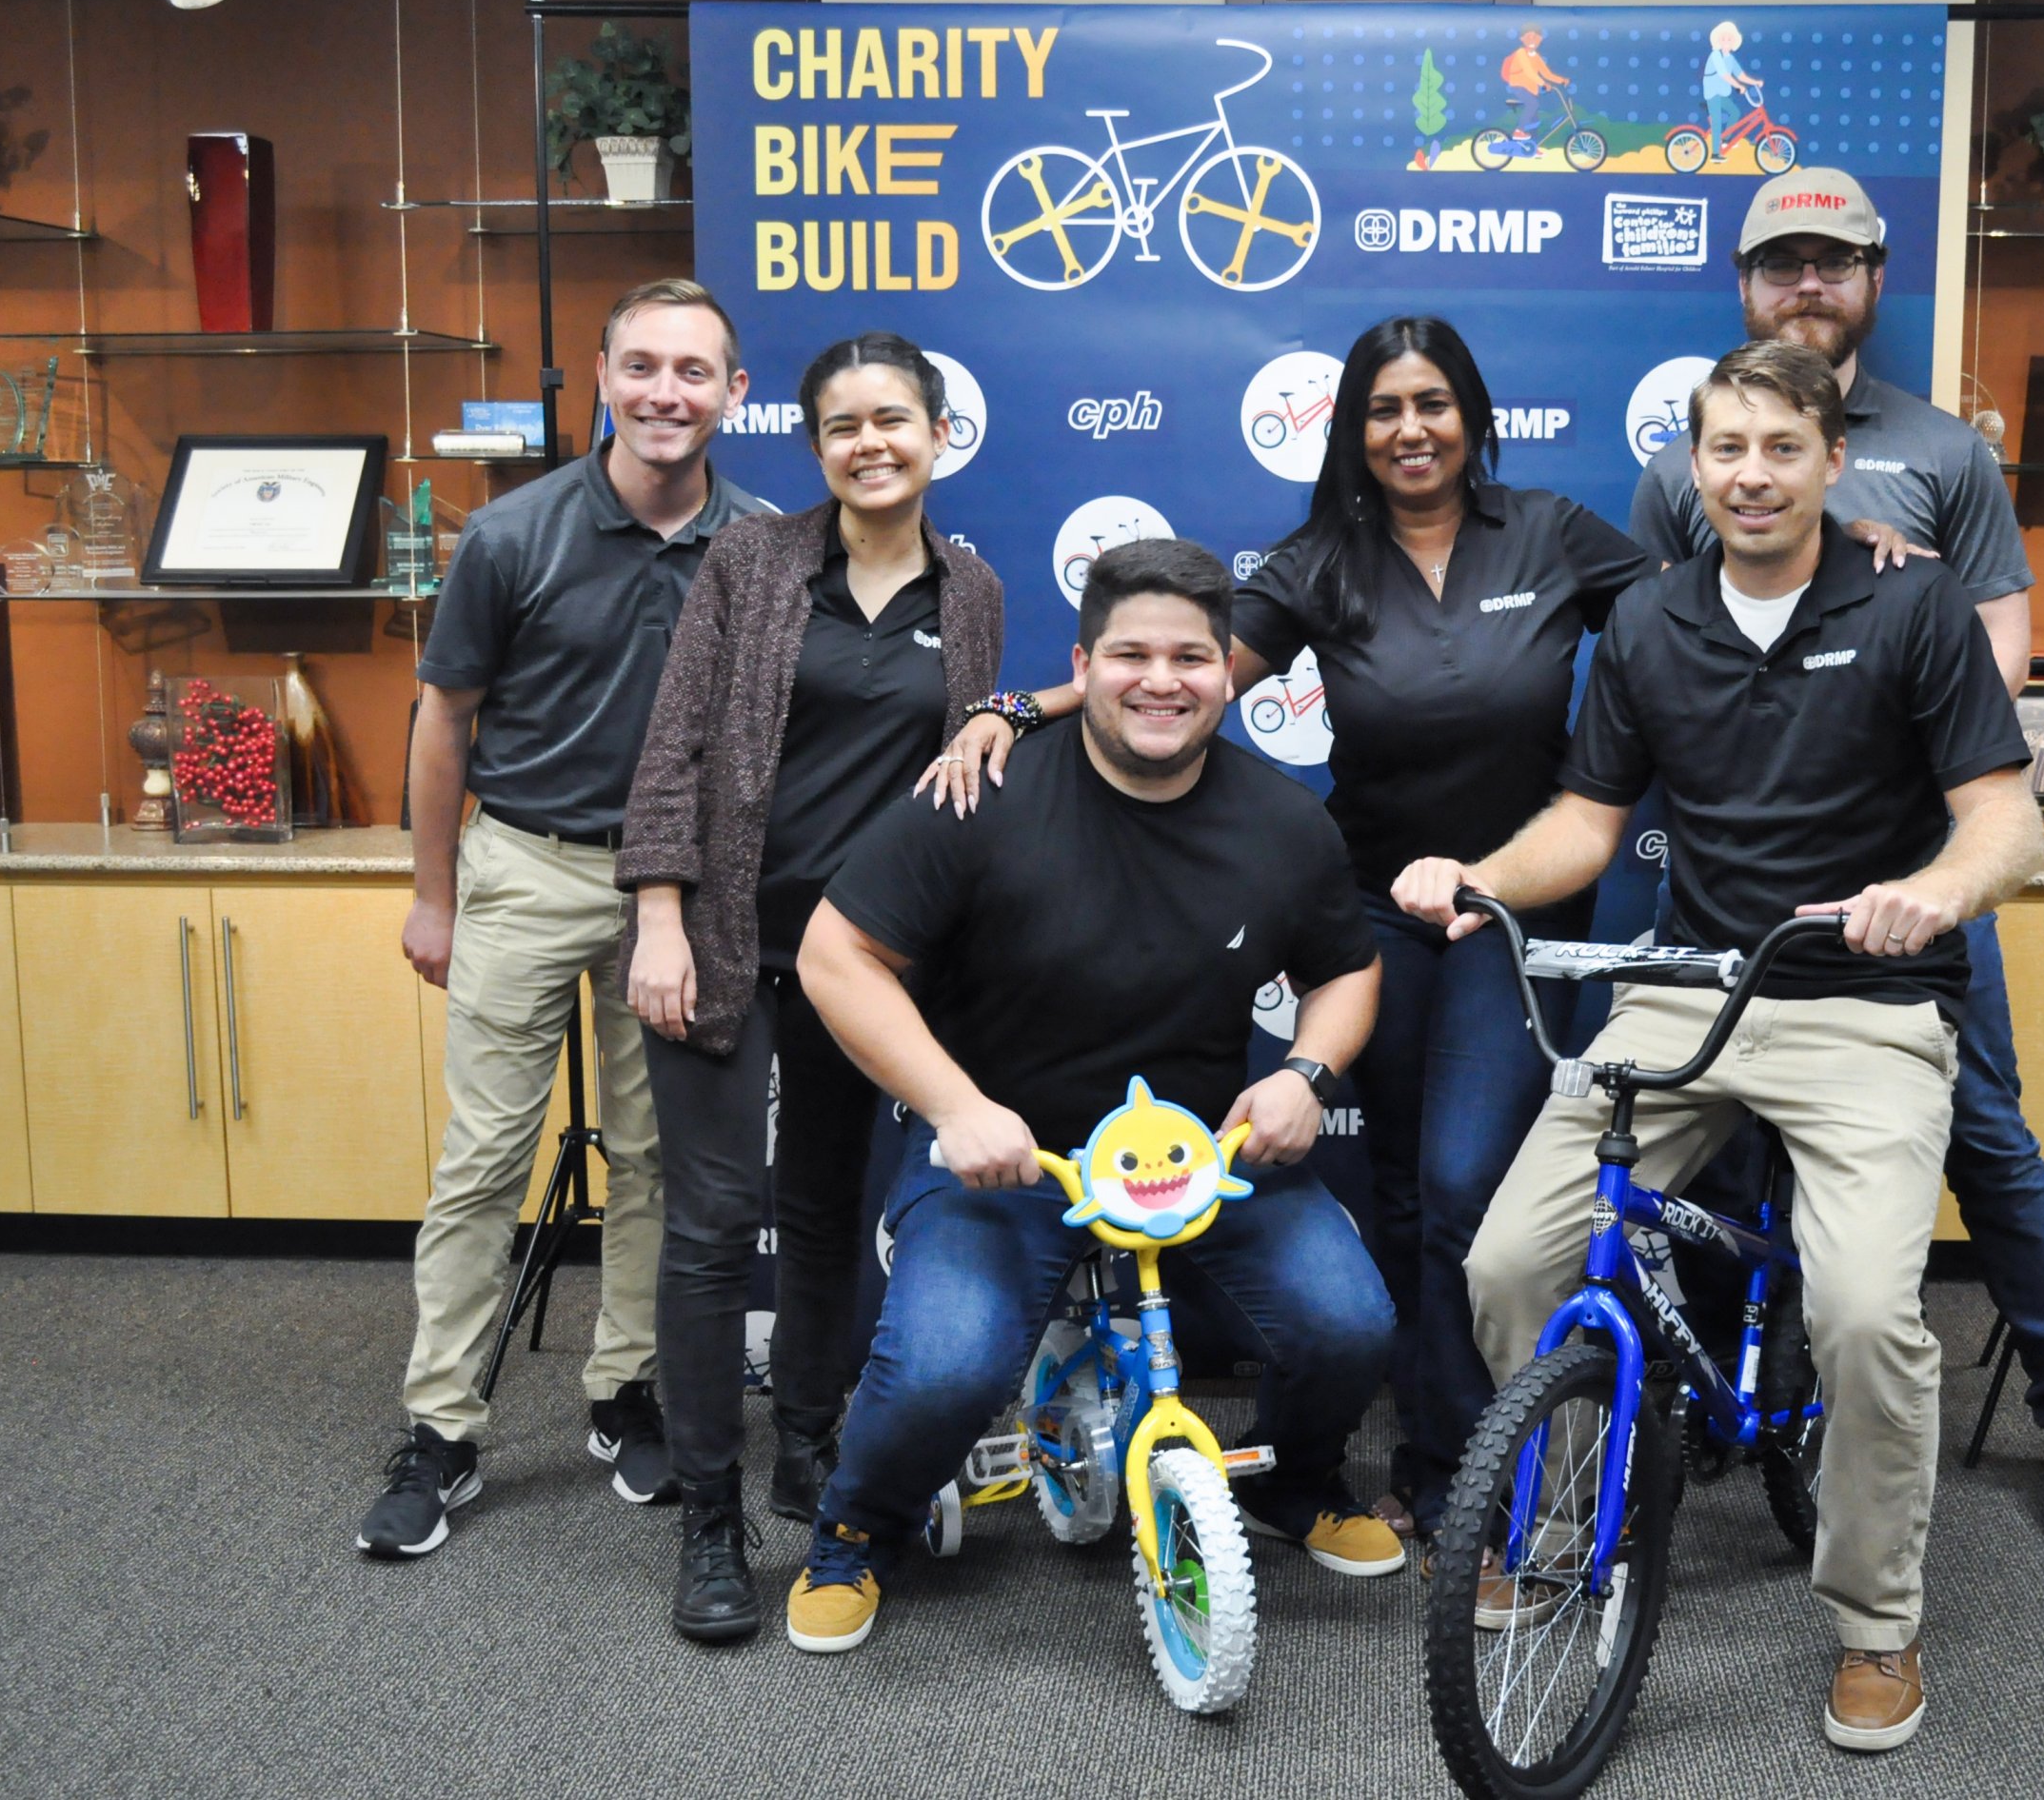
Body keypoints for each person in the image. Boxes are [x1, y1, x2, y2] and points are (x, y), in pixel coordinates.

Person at [1397, 340, 2044, 1751]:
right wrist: (1482, 879)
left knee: (1864, 1313)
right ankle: (1579, 1518)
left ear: (1832, 463)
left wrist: (1936, 892)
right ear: (1694, 467)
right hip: (1692, 988)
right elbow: (1589, 822)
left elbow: (2006, 815)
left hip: (1867, 1004)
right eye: (1727, 449)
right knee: (1510, 1260)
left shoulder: (1913, 604)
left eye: (1782, 448)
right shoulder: (1649, 622)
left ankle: (1876, 1623)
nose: (1753, 475)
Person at [933, 316, 1653, 1548]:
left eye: (1432, 403)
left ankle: (1471, 1458)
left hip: (1511, 907)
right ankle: (1422, 1463)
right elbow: (1175, 672)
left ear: (1471, 415)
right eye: (1383, 409)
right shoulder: (1326, 561)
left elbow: (1690, 619)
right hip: (1375, 911)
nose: (1411, 429)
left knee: (1466, 1184)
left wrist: (1850, 550)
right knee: (1406, 1195)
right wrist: (1017, 707)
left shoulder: (1551, 532)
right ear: (1353, 430)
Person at [1628, 166, 2044, 1543]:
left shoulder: (1946, 452)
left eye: (1834, 262)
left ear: (1873, 279)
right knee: (1729, 1142)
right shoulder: (1686, 468)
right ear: (1744, 284)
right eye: (1781, 263)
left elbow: (2003, 646)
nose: (1808, 285)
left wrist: (1881, 686)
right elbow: (1670, 642)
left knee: (1986, 1136)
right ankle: (1761, 1385)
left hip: (1915, 877)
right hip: (1739, 878)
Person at [783, 539, 1404, 1655]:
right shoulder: (980, 792)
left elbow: (1349, 970)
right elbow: (836, 956)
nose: (1162, 681)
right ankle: (857, 1527)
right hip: (1010, 1157)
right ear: (1082, 665)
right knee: (945, 1368)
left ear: (1228, 672)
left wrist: (1307, 1073)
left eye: (1191, 658)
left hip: (1195, 1154)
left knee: (1348, 1324)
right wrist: (956, 1107)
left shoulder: (1283, 821)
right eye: (1131, 655)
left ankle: (1296, 1479)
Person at [361, 278, 767, 1559]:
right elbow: (444, 717)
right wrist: (433, 894)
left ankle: (624, 1390)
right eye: (641, 365)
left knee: (654, 1158)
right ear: (601, 377)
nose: (665, 393)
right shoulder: (512, 535)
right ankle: (441, 1427)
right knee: (485, 1159)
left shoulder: (762, 546)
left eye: (693, 371)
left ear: (733, 393)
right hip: (527, 871)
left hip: (680, 897)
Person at [614, 331, 1006, 1642]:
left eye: (892, 419)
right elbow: (674, 744)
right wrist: (658, 915)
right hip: (722, 943)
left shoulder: (973, 590)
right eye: (842, 425)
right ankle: (709, 1519)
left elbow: (968, 765)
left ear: (938, 433)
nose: (869, 444)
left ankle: (811, 1446)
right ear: (816, 444)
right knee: (715, 1226)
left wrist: (1012, 716)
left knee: (830, 1215)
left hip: (864, 962)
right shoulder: (753, 562)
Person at [1498, 26, 1569, 143]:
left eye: (1535, 37)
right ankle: (1519, 131)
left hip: (1531, 90)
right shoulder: (1521, 53)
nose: (1532, 40)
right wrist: (1543, 84)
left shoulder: (1535, 56)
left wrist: (1562, 80)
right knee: (1533, 105)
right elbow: (1529, 72)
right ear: (1522, 39)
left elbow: (1547, 73)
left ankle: (1533, 146)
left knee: (1534, 121)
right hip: (1519, 86)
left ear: (1540, 39)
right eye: (1528, 37)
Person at [1700, 19, 1759, 144]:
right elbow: (1724, 75)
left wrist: (1754, 82)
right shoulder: (1715, 55)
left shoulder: (1730, 58)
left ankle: (1726, 139)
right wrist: (1739, 86)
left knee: (1735, 112)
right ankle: (1716, 152)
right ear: (1718, 41)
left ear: (1734, 42)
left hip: (1722, 94)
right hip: (1713, 93)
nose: (1726, 42)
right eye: (1723, 39)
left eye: (1729, 39)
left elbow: (1741, 75)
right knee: (1716, 121)